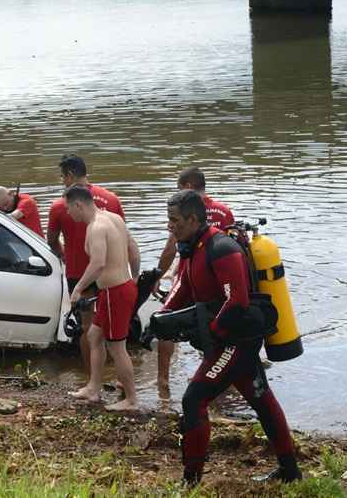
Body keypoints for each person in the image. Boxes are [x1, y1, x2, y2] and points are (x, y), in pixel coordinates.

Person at [161, 190, 300, 485]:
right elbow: (183, 287)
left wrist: (209, 335)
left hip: (235, 342)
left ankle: (191, 481)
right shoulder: (192, 247)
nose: (169, 226)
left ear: (193, 218)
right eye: (168, 220)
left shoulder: (222, 248)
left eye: (174, 220)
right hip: (226, 342)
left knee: (193, 400)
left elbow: (236, 301)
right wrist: (161, 318)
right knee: (262, 400)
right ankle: (290, 472)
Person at [48, 154, 133, 373]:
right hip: (112, 274)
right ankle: (111, 379)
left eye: (62, 177)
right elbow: (126, 239)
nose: (62, 182)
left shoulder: (60, 205)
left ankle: (91, 378)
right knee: (114, 332)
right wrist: (133, 274)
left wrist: (64, 255)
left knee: (87, 328)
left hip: (80, 273)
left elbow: (51, 240)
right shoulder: (111, 200)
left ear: (69, 175)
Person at [155, 166, 234, 396]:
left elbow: (170, 249)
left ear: (188, 187)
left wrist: (158, 276)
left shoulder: (183, 210)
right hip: (216, 284)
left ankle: (163, 382)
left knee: (166, 320)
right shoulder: (222, 211)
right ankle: (215, 373)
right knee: (211, 326)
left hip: (187, 277)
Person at [65, 185, 141, 411]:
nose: (69, 213)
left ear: (78, 204)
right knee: (94, 336)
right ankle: (93, 388)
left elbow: (97, 264)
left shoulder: (96, 227)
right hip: (121, 288)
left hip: (114, 292)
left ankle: (132, 400)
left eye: (69, 208)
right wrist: (134, 277)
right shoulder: (114, 218)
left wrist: (77, 289)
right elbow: (133, 249)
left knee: (117, 347)